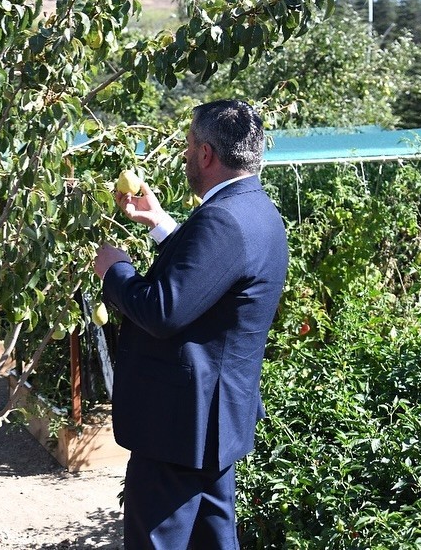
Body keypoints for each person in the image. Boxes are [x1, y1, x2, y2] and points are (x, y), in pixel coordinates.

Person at [93, 100, 289, 549]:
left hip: (179, 426)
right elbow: (215, 270)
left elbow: (163, 310)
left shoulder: (222, 218)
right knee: (213, 539)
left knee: (158, 541)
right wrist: (161, 224)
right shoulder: (257, 210)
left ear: (205, 154)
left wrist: (114, 270)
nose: (185, 156)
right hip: (212, 424)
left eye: (188, 146)